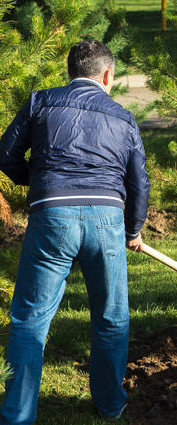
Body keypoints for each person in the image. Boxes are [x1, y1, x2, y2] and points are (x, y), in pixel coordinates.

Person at [0, 39, 149, 424]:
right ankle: (110, 404)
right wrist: (133, 229)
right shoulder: (123, 117)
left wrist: (38, 185)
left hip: (52, 217)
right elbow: (139, 183)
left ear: (70, 72)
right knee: (111, 317)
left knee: (30, 319)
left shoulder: (40, 101)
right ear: (107, 75)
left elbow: (5, 154)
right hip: (107, 222)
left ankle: (17, 414)